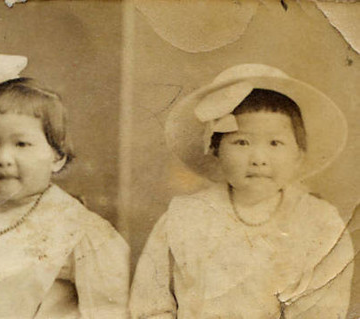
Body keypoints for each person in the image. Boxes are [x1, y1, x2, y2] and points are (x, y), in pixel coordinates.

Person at [129, 64, 354, 318]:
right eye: (242, 142)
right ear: (216, 150)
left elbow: (323, 311)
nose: (259, 158)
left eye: (275, 143)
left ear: (298, 154)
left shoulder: (320, 223)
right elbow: (150, 306)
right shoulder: (184, 217)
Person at [0, 54, 129, 319]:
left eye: (21, 144)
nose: (3, 159)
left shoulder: (81, 230)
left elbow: (108, 312)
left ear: (57, 156)